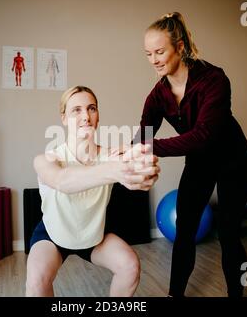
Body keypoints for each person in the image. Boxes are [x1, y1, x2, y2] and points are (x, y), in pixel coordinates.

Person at [134, 12, 247, 297]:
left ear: (180, 47)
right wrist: (125, 154)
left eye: (160, 51)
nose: (153, 60)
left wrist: (150, 148)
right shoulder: (158, 94)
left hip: (233, 162)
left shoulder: (213, 79)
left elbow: (203, 137)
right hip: (200, 163)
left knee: (228, 234)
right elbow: (143, 137)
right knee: (184, 232)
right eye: (148, 53)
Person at [26, 85, 159, 297]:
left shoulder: (112, 156)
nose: (85, 116)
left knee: (130, 266)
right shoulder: (47, 160)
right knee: (36, 280)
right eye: (76, 110)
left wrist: (145, 169)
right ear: (63, 118)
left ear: (98, 116)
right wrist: (114, 171)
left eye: (91, 108)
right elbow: (62, 181)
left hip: (93, 235)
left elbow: (136, 168)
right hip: (54, 234)